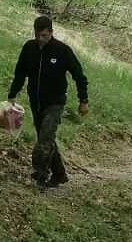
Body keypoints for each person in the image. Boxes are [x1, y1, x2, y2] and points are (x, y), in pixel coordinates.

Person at [7, 15, 89, 189]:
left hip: (55, 102)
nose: (40, 39)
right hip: (36, 101)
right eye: (37, 35)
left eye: (44, 35)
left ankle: (40, 175)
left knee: (45, 139)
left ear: (51, 32)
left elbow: (79, 75)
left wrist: (83, 100)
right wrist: (12, 94)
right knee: (46, 138)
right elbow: (20, 72)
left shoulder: (62, 51)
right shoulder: (29, 48)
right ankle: (59, 174)